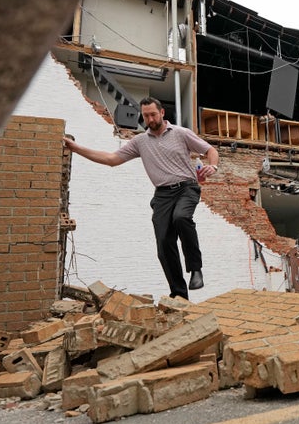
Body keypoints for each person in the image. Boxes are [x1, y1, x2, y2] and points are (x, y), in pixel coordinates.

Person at [63, 96, 219, 300]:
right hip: (162, 194)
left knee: (181, 218)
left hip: (186, 188)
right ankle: (179, 295)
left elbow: (210, 150)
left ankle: (196, 269)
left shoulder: (181, 133)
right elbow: (111, 159)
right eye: (146, 116)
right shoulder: (140, 142)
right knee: (163, 243)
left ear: (162, 113)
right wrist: (75, 147)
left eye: (153, 114)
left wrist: (213, 166)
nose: (150, 119)